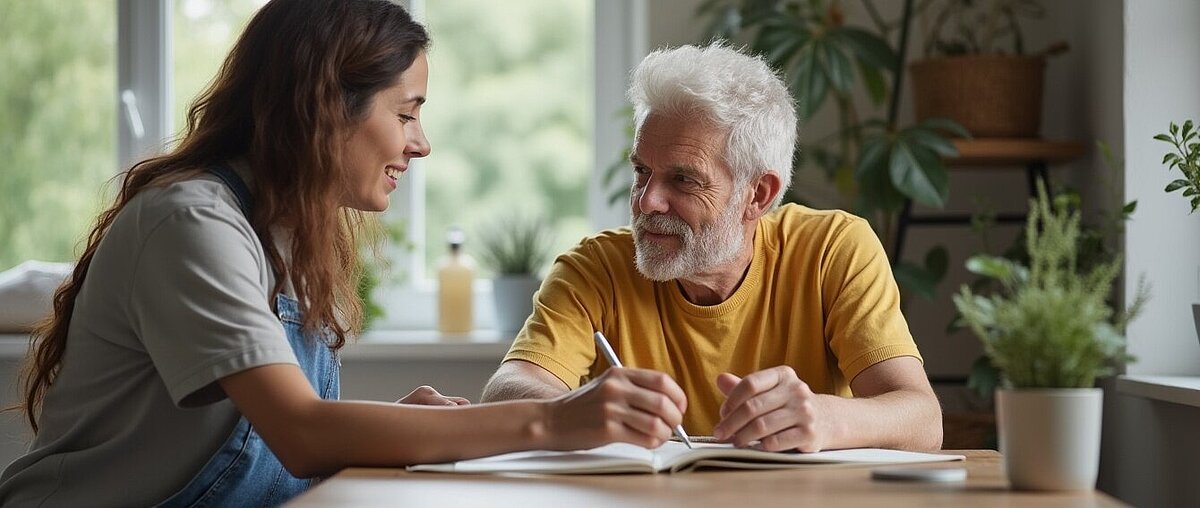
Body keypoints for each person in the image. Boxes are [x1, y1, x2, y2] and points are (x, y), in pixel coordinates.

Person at [0, 1, 687, 506]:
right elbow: (302, 432)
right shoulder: (192, 226)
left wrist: (396, 420)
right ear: (328, 108)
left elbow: (276, 426)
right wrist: (552, 419)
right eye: (408, 111)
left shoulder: (282, 231)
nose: (421, 143)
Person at [481, 43, 943, 453]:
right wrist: (569, 410)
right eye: (642, 171)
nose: (646, 202)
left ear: (757, 195)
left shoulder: (833, 249)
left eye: (682, 179)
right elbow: (509, 387)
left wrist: (825, 417)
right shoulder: (594, 267)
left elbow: (922, 419)